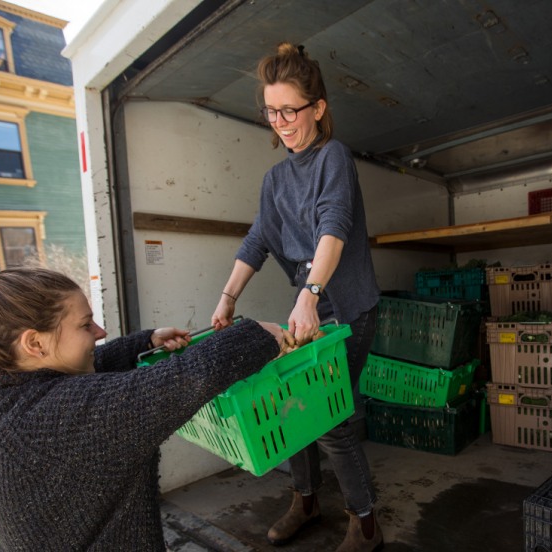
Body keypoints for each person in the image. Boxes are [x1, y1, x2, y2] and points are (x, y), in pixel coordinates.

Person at [0, 252, 285, 551]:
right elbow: (177, 382)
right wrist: (258, 335)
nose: (99, 332)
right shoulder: (54, 417)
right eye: (85, 324)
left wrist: (143, 343)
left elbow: (83, 374)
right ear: (34, 343)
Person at [211, 42, 382, 552]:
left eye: (290, 110)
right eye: (271, 111)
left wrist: (309, 293)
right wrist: (228, 297)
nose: (281, 121)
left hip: (347, 306)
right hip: (308, 307)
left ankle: (366, 523)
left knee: (331, 418)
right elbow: (258, 240)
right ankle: (306, 499)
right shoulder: (275, 178)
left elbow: (334, 225)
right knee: (295, 408)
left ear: (318, 109)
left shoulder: (334, 156)